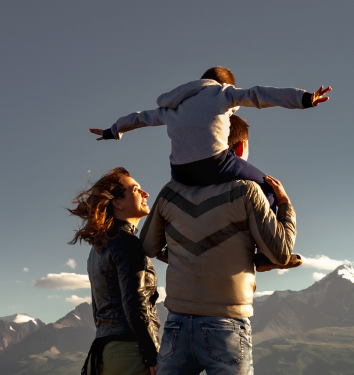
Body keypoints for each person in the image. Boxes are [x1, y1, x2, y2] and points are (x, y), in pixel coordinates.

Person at [139, 115, 300, 374]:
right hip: (227, 322)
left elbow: (147, 247)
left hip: (177, 322)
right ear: (238, 148)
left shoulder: (170, 192)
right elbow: (280, 253)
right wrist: (284, 206)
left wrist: (177, 252)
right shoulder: (247, 191)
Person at [89, 66, 331, 208]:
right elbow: (259, 95)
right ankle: (264, 251)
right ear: (225, 85)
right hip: (215, 162)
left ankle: (164, 248)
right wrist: (304, 99)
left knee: (172, 202)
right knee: (268, 187)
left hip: (179, 172)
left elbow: (141, 117)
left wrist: (113, 131)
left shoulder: (174, 106)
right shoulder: (223, 93)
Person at [68, 167, 160, 375]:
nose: (145, 193)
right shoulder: (128, 243)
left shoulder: (98, 248)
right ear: (117, 203)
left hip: (102, 353)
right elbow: (135, 304)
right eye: (136, 190)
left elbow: (98, 310)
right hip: (130, 352)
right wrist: (152, 354)